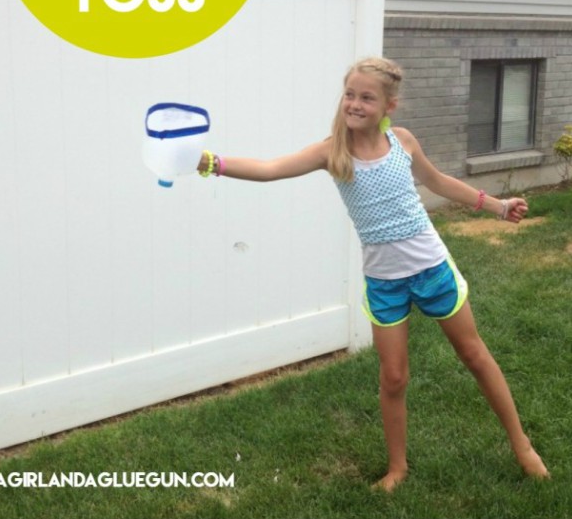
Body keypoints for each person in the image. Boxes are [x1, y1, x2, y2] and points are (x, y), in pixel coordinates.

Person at [197, 56, 549, 491]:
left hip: (432, 269)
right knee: (394, 376)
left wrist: (496, 206)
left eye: (367, 97)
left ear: (388, 106)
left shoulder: (402, 142)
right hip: (384, 283)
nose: (355, 103)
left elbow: (438, 182)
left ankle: (522, 446)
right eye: (350, 94)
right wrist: (213, 162)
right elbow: (270, 169)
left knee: (474, 355)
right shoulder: (331, 153)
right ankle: (397, 468)